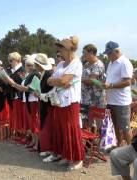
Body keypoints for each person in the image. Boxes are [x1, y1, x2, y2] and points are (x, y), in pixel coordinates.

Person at [47, 36, 85, 170]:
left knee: (71, 128)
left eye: (61, 47)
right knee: (61, 127)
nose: (59, 50)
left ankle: (77, 158)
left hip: (71, 101)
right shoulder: (60, 64)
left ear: (69, 49)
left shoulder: (76, 63)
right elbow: (49, 80)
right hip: (59, 100)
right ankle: (66, 154)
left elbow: (62, 81)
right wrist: (57, 81)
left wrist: (58, 81)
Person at [103, 41, 134, 146]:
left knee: (125, 126)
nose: (108, 56)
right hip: (112, 99)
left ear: (116, 51)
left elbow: (128, 82)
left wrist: (111, 85)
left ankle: (130, 148)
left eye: (109, 54)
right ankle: (119, 144)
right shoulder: (111, 63)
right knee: (115, 124)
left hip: (122, 101)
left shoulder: (125, 62)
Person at [9, 55, 41, 151]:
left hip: (34, 101)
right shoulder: (29, 75)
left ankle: (37, 144)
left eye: (31, 65)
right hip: (28, 100)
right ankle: (34, 142)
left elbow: (29, 89)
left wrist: (13, 83)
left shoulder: (35, 74)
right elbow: (25, 88)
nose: (29, 67)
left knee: (34, 123)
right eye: (27, 65)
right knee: (32, 123)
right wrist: (14, 84)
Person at [81, 44, 106, 131]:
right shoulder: (86, 64)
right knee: (87, 123)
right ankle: (89, 144)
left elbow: (91, 80)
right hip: (86, 99)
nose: (83, 55)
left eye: (84, 53)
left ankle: (100, 142)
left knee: (99, 125)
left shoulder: (98, 64)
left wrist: (78, 79)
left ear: (91, 53)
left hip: (97, 99)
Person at [6, 52, 26, 141]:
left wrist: (11, 81)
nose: (10, 63)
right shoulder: (12, 70)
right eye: (9, 61)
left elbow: (22, 82)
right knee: (15, 115)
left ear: (17, 60)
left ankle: (22, 134)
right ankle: (17, 132)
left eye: (11, 60)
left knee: (20, 116)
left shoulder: (21, 70)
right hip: (13, 95)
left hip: (19, 96)